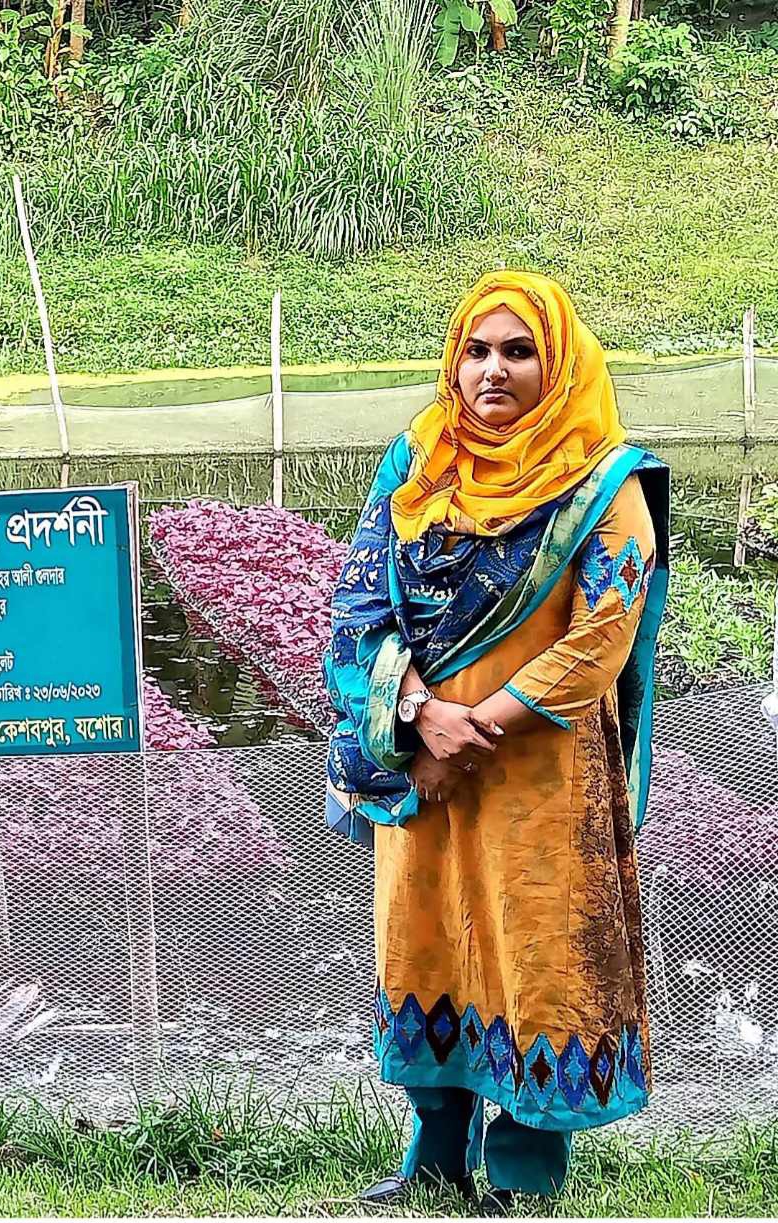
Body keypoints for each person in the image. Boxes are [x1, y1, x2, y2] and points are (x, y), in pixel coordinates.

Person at [324, 271, 669, 1211]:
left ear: (557, 365)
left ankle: (520, 1179)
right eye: (476, 350)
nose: (492, 371)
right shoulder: (418, 460)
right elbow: (358, 600)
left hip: (542, 777)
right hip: (424, 770)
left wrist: (476, 726)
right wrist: (419, 718)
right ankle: (431, 1163)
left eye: (518, 352)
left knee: (538, 956)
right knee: (424, 944)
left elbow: (602, 634)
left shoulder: (603, 482)